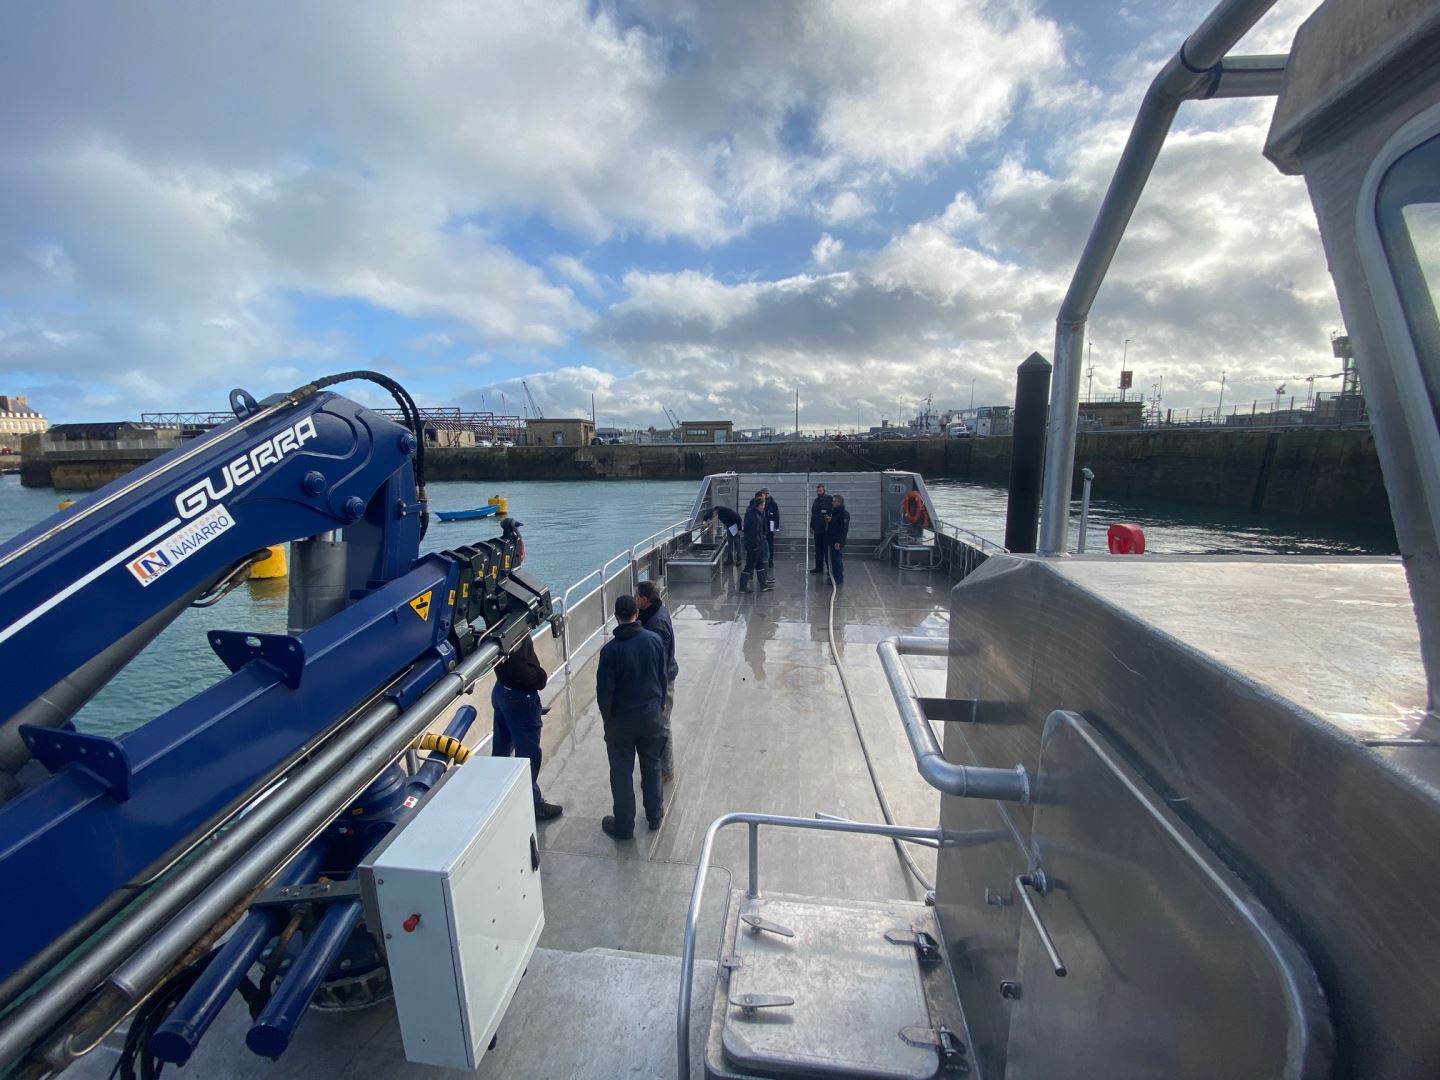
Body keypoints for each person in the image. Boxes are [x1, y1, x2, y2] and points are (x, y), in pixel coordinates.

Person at [595, 595, 669, 838]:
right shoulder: (654, 641)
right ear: (637, 613)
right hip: (651, 717)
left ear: (616, 616)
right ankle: (655, 816)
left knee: (621, 772)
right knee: (652, 765)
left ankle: (624, 825)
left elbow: (604, 692)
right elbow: (662, 678)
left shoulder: (610, 651)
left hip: (621, 723)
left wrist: (608, 720)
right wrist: (658, 708)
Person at [491, 632, 563, 820]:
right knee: (528, 753)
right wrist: (540, 677)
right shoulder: (513, 628)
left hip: (501, 691)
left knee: (502, 746)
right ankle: (533, 803)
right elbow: (520, 671)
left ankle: (499, 793)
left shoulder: (496, 622)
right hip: (519, 698)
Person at [635, 580, 679, 783]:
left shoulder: (655, 624)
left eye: (637, 596)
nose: (635, 599)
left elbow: (657, 659)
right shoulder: (654, 614)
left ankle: (666, 770)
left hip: (663, 680)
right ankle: (662, 767)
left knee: (662, 724)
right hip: (663, 676)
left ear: (644, 599)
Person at [740, 495, 772, 593]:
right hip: (754, 546)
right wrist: (755, 546)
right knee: (749, 566)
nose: (764, 507)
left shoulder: (752, 513)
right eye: (763, 505)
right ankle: (743, 587)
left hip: (755, 545)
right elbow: (754, 533)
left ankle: (763, 585)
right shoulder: (756, 516)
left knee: (759, 564)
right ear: (759, 505)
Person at [826, 493, 850, 586]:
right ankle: (835, 576)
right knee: (833, 560)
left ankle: (839, 578)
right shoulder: (834, 512)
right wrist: (829, 520)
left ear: (839, 502)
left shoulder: (844, 514)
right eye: (832, 501)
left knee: (837, 559)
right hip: (832, 540)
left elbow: (844, 530)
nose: (832, 503)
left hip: (837, 542)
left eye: (834, 501)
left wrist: (839, 542)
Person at [809, 482, 831, 574]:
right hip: (817, 530)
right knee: (818, 550)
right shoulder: (815, 501)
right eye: (817, 490)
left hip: (826, 530)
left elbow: (832, 512)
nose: (819, 492)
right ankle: (819, 567)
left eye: (820, 490)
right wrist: (811, 526)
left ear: (824, 490)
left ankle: (829, 569)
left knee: (827, 551)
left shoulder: (829, 499)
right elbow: (813, 514)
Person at [762, 488, 780, 570]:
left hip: (770, 528)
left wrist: (776, 526)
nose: (766, 495)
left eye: (767, 493)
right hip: (761, 528)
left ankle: (770, 560)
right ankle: (763, 560)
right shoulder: (760, 503)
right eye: (764, 494)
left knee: (770, 544)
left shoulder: (773, 504)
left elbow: (777, 515)